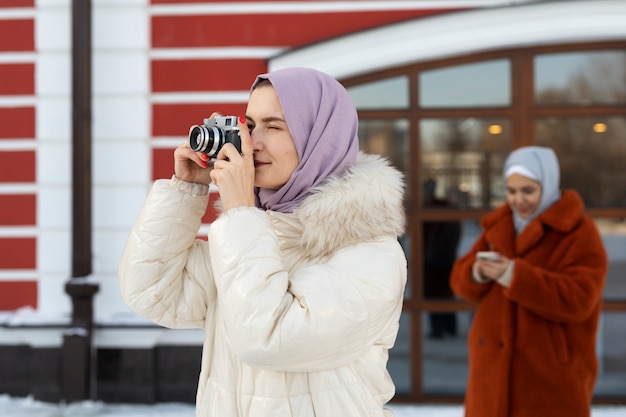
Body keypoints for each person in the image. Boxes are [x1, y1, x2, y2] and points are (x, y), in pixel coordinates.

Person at [118, 67, 407, 417]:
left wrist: (241, 212)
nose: (253, 142)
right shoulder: (255, 237)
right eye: (250, 125)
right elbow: (150, 292)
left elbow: (266, 337)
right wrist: (186, 190)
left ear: (319, 137)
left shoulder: (370, 253)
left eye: (274, 126)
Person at [449, 146, 607, 417]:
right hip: (491, 374)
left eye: (528, 191)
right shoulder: (499, 227)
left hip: (549, 375)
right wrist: (479, 272)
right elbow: (460, 283)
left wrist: (514, 276)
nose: (518, 200)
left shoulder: (579, 232)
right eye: (511, 191)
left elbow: (579, 298)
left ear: (547, 184)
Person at [422, 179, 461, 339]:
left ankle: (439, 328)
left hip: (433, 257)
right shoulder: (447, 211)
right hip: (445, 256)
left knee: (435, 292)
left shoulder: (430, 210)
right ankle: (449, 326)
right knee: (446, 291)